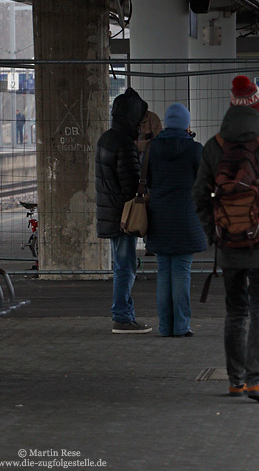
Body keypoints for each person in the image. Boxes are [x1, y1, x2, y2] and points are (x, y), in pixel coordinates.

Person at [193, 76, 259, 403]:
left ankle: (235, 381)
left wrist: (214, 232)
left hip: (228, 241)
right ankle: (256, 380)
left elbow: (199, 196)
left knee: (235, 310)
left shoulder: (214, 146)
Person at [146, 103, 207, 338]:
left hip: (159, 216)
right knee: (181, 271)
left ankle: (164, 326)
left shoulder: (153, 148)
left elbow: (148, 180)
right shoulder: (194, 149)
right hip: (185, 217)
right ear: (186, 124)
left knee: (163, 272)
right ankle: (181, 326)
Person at [95, 87, 151, 334]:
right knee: (125, 268)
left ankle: (124, 314)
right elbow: (131, 186)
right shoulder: (124, 144)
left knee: (122, 266)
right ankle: (122, 317)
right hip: (123, 217)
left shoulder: (105, 138)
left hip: (110, 212)